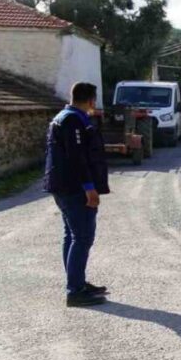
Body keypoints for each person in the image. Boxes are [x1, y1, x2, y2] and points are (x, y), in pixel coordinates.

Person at [43, 82, 109, 307]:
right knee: (82, 237)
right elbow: (77, 157)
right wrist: (89, 187)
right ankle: (75, 291)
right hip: (74, 188)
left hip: (63, 186)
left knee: (71, 235)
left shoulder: (63, 116)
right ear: (91, 100)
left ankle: (77, 282)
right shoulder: (73, 120)